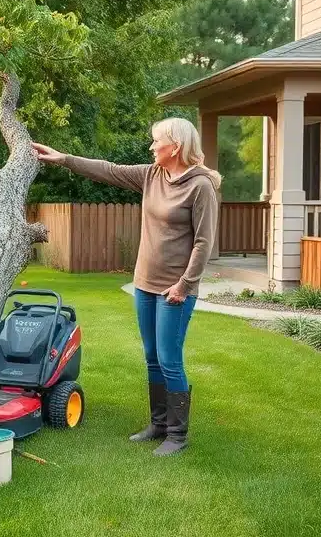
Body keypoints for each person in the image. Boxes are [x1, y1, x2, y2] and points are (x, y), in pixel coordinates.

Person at [32, 117, 220, 456]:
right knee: (152, 357)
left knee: (169, 359)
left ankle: (177, 435)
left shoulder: (200, 187)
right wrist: (65, 159)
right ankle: (158, 424)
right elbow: (109, 170)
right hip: (145, 284)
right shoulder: (152, 175)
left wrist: (184, 285)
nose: (151, 147)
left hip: (175, 289)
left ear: (175, 147)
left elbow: (204, 243)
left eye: (157, 141)